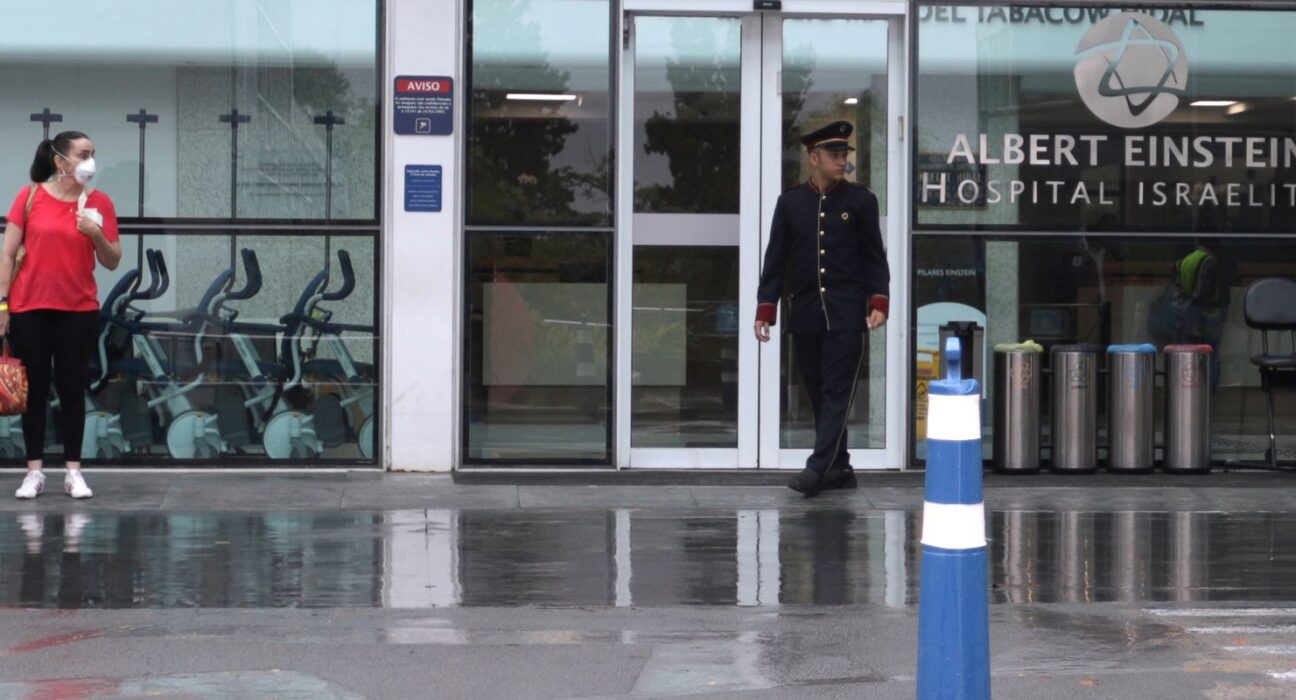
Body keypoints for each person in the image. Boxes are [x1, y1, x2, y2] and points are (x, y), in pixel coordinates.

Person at [755, 120, 890, 497]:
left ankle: (817, 468)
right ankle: (840, 467)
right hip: (807, 313)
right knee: (817, 392)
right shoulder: (791, 202)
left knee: (836, 392)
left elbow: (874, 256)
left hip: (847, 314)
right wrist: (766, 308)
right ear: (813, 158)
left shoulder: (861, 201)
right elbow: (776, 259)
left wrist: (879, 299)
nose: (841, 160)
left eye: (844, 154)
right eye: (833, 154)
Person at [1, 131, 122, 499]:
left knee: (72, 389)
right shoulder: (30, 196)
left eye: (93, 153)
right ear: (60, 161)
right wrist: (3, 305)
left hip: (78, 309)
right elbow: (8, 253)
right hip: (29, 308)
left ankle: (74, 471)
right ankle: (34, 472)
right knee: (34, 390)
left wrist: (95, 233)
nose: (90, 161)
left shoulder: (99, 202)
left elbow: (112, 259)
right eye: (83, 154)